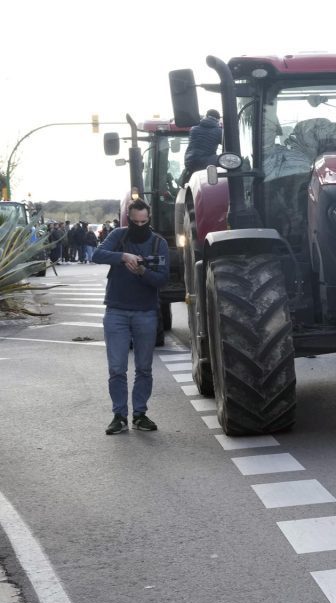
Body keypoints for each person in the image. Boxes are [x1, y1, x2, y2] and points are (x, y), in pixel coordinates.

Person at [91, 199, 169, 435]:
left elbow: (162, 280)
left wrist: (143, 271)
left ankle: (140, 414)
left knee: (144, 368)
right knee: (117, 368)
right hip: (116, 311)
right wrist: (123, 256)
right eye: (135, 221)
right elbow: (97, 254)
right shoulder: (119, 235)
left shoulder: (159, 243)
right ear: (128, 218)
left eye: (143, 222)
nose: (139, 225)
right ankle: (119, 415)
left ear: (149, 219)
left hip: (146, 312)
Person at [181, 109, 222, 183]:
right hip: (206, 161)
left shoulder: (194, 128)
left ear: (206, 116)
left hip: (190, 161)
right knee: (225, 160)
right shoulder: (219, 131)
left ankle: (184, 181)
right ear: (218, 119)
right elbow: (227, 143)